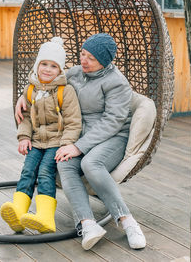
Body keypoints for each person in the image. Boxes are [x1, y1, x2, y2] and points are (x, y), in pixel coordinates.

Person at [15, 33, 146, 250]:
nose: (83, 61)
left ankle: (126, 221)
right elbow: (46, 80)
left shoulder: (117, 83)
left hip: (111, 137)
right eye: (83, 54)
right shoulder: (76, 72)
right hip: (79, 135)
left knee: (90, 163)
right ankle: (87, 224)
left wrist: (78, 146)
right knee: (64, 163)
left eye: (91, 58)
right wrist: (24, 96)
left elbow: (112, 122)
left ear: (105, 62)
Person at [1, 37, 81, 234]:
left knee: (45, 173)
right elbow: (26, 117)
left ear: (60, 70)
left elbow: (73, 121)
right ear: (37, 65)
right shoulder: (30, 90)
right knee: (27, 171)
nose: (47, 69)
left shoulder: (65, 91)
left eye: (53, 66)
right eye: (43, 64)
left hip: (56, 142)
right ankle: (18, 213)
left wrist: (66, 143)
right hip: (36, 141)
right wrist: (24, 137)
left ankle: (46, 217)